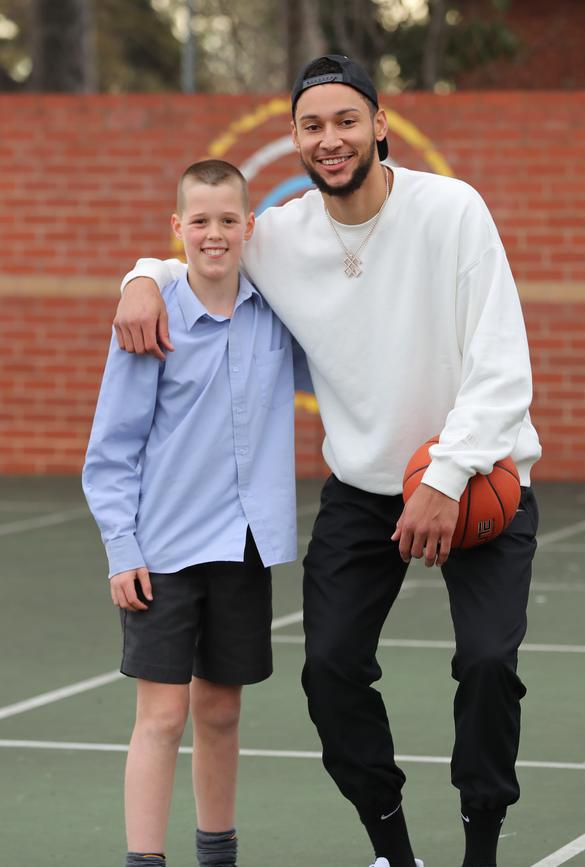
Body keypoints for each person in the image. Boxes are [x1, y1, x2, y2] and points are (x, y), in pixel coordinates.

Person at [113, 56, 542, 867]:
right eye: (312, 126)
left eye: (347, 120)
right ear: (297, 141)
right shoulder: (280, 236)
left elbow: (502, 365)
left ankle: (481, 847)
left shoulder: (452, 210)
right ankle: (395, 851)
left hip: (480, 478)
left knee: (486, 662)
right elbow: (204, 254)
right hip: (366, 489)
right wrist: (143, 275)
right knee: (330, 671)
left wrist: (447, 476)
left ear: (379, 125)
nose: (331, 138)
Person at [83, 158, 297, 867]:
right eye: (199, 221)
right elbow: (111, 451)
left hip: (242, 547)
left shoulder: (277, 313)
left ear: (249, 227)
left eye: (228, 220)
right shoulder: (150, 321)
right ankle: (144, 859)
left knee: (222, 711)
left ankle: (218, 857)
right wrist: (122, 547)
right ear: (177, 230)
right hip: (163, 551)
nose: (214, 234)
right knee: (163, 715)